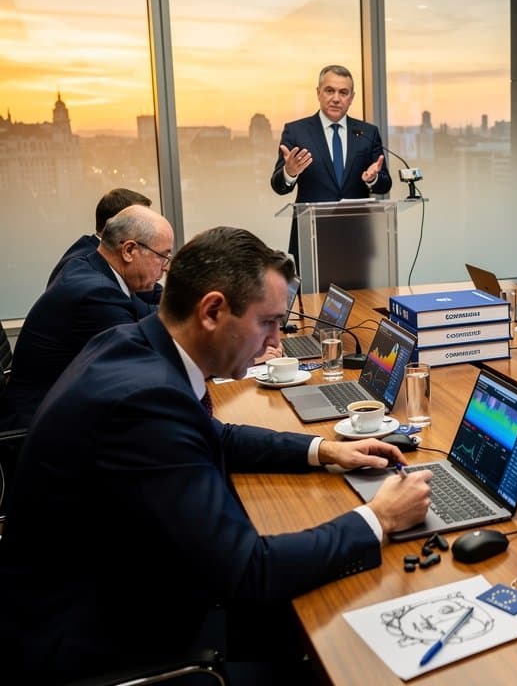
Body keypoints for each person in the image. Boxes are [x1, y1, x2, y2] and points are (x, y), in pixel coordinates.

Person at [0, 226, 432, 683]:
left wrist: (325, 449)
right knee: (339, 653)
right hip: (105, 643)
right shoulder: (143, 405)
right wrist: (378, 519)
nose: (275, 343)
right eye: (267, 323)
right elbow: (249, 570)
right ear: (211, 311)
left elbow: (215, 436)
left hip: (109, 587)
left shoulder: (132, 344)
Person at [0, 205, 173, 430]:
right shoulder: (95, 294)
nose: (166, 268)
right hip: (42, 429)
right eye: (163, 256)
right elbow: (144, 366)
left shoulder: (91, 266)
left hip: (56, 408)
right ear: (129, 250)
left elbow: (143, 312)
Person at [271, 64, 392, 268]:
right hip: (311, 239)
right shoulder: (296, 132)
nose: (336, 98)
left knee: (362, 300)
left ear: (351, 97)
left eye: (343, 92)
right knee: (311, 301)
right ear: (318, 93)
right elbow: (278, 186)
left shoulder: (367, 133)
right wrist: (289, 173)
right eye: (330, 90)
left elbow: (384, 184)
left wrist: (373, 179)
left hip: (357, 240)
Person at [46, 187, 153, 287]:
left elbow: (147, 293)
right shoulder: (86, 266)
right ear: (113, 225)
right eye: (141, 223)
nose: (148, 231)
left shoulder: (107, 251)